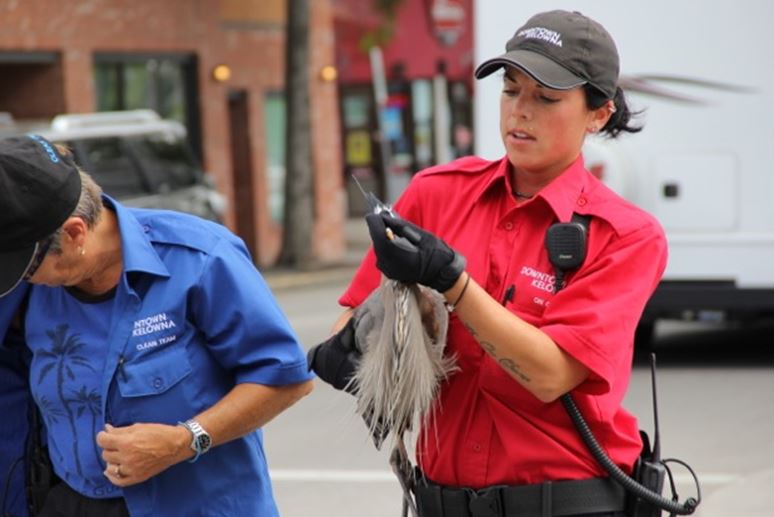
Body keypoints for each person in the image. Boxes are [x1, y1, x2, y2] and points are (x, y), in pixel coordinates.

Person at [310, 10, 667, 517]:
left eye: (545, 97)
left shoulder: (626, 234)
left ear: (599, 114)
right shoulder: (437, 193)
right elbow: (353, 316)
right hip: (438, 500)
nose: (520, 111)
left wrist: (452, 284)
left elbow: (549, 375)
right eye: (510, 89)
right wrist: (358, 349)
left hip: (569, 504)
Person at [0, 134, 314, 517]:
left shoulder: (199, 259)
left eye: (28, 268)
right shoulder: (25, 293)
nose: (23, 281)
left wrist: (184, 440)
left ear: (74, 233)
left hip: (198, 506)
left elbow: (286, 379)